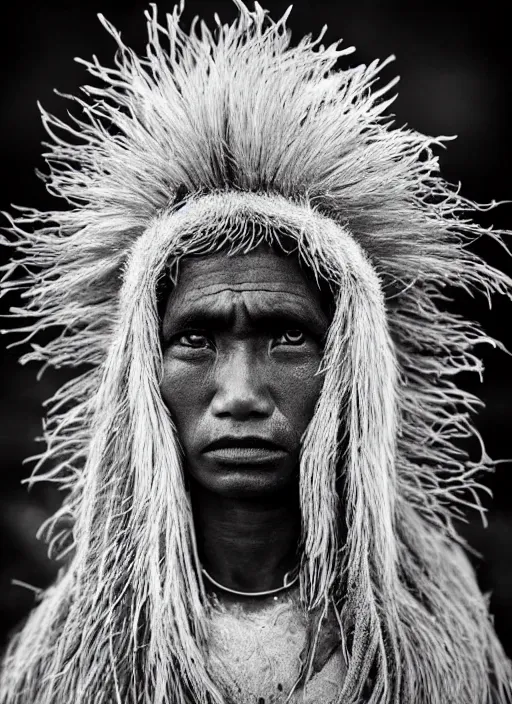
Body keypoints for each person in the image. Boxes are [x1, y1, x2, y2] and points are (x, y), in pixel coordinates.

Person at [0, 2, 511, 703]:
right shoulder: (75, 652)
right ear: (141, 368)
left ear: (352, 362)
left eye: (287, 335)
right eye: (195, 340)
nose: (240, 394)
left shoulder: (433, 633)